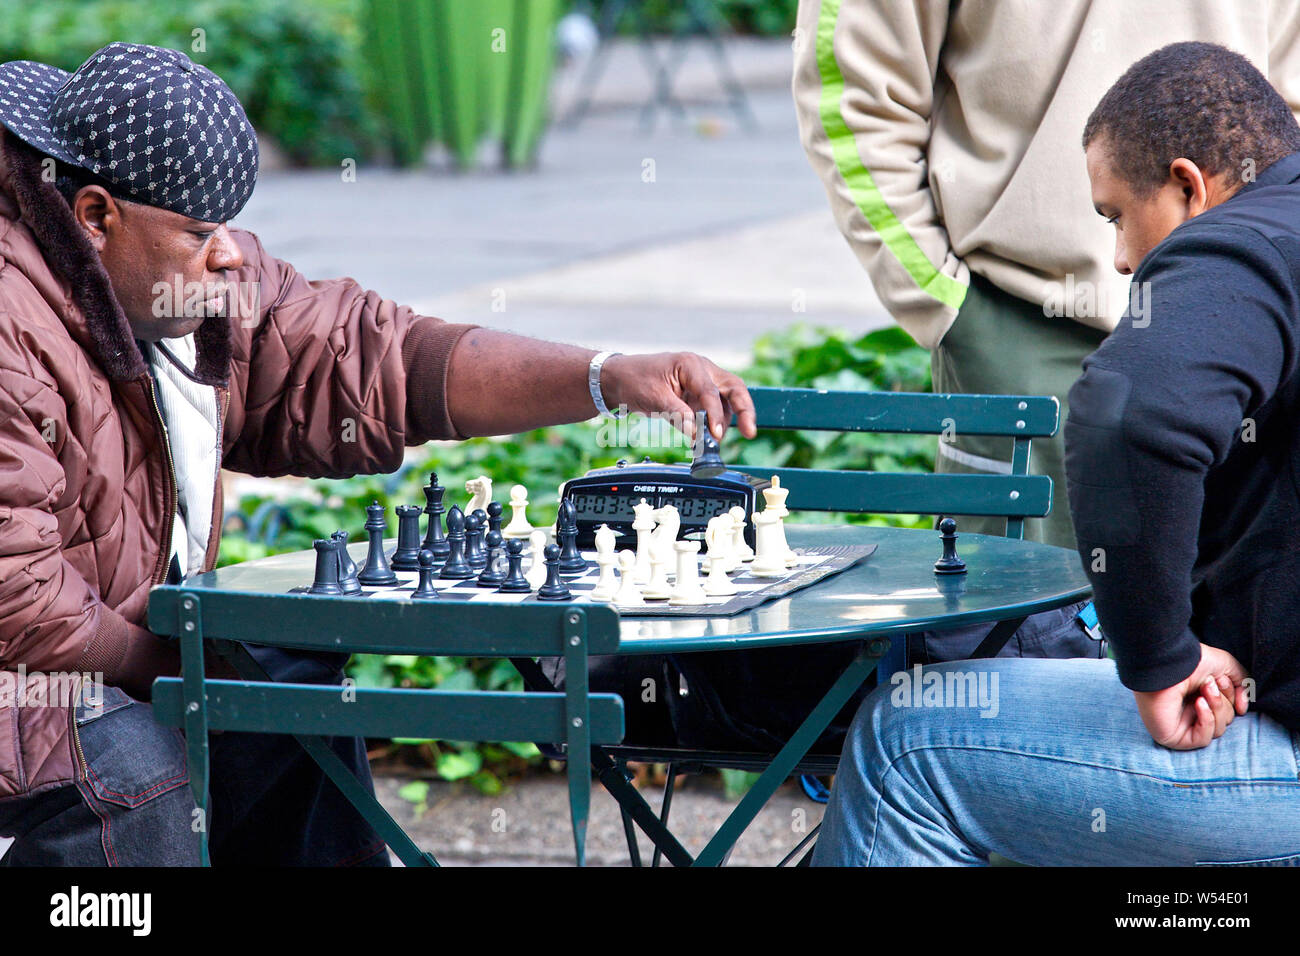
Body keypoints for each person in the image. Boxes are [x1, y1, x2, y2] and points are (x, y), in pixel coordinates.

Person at [0, 42, 755, 866]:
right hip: (30, 683)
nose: (229, 255)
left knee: (293, 698)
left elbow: (376, 359)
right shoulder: (13, 323)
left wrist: (604, 376)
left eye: (230, 229)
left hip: (110, 660)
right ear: (96, 216)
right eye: (200, 232)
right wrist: (192, 677)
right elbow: (22, 603)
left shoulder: (188, 286)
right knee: (140, 775)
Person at [812, 42, 1300, 866]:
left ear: (1189, 185)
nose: (1115, 256)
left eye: (1114, 215)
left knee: (907, 741)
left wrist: (1159, 661)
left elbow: (1127, 417)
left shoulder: (1240, 241)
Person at [793, 0, 1300, 550]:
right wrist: (946, 305)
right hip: (1020, 323)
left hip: (1241, 309)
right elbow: (853, 92)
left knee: (1233, 613)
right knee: (1019, 628)